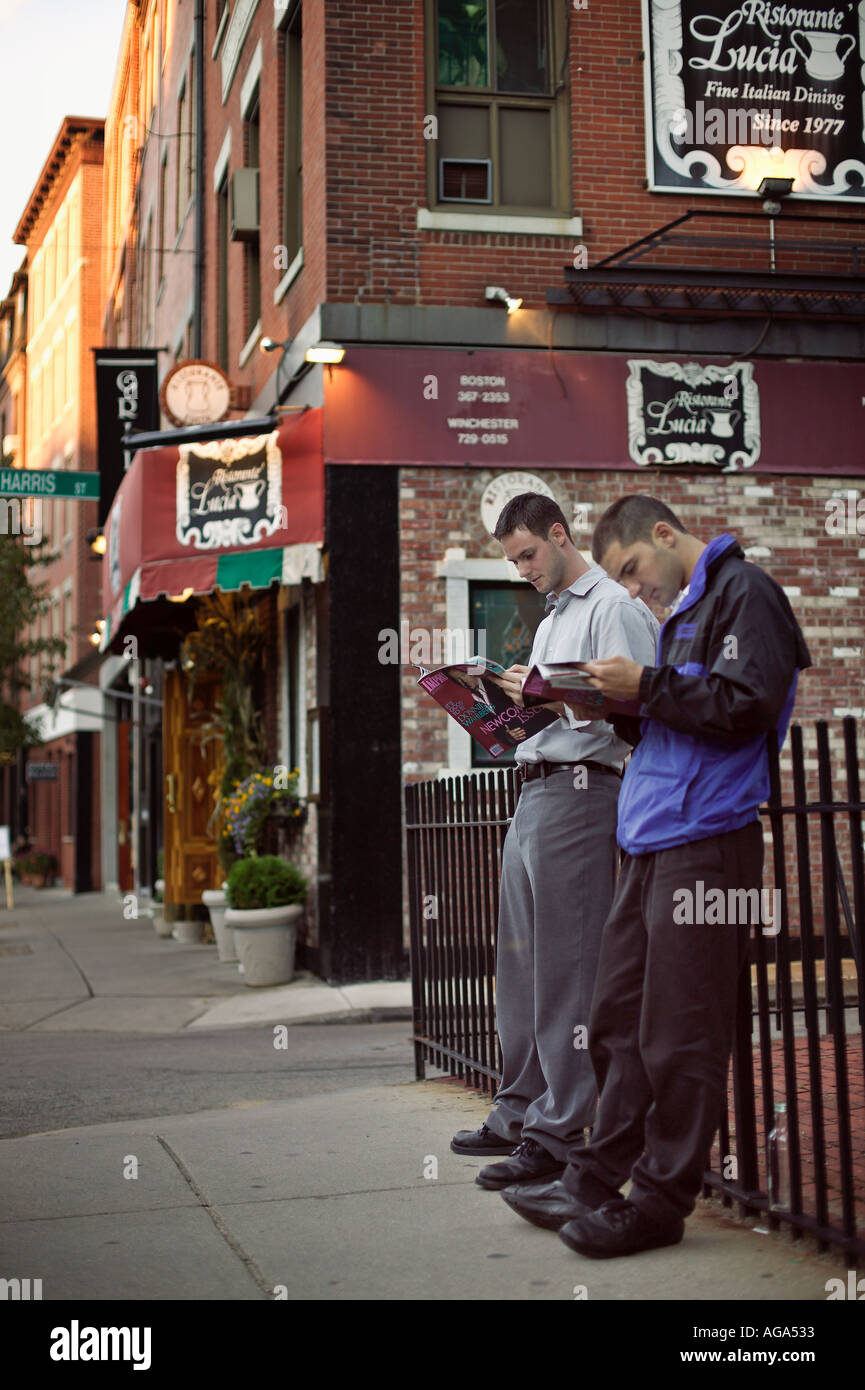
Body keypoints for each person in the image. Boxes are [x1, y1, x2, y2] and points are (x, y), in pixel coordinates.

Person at [500, 495, 811, 1257]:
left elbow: (747, 703)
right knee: (615, 1021)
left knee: (680, 1035)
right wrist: (605, 701)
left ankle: (660, 1202)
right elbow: (673, 715)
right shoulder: (684, 610)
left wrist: (643, 686)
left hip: (707, 839)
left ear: (665, 535)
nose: (633, 590)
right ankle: (593, 1178)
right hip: (649, 837)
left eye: (633, 571)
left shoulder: (747, 593)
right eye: (623, 581)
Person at [450, 493, 658, 1190]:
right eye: (511, 562)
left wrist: (549, 701)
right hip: (533, 787)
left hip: (582, 791)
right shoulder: (554, 617)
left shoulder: (613, 609)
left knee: (569, 968)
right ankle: (518, 1110)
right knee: (521, 965)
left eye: (528, 555)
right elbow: (539, 720)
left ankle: (561, 1128)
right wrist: (495, 708)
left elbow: (635, 712)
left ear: (560, 535)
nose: (522, 571)